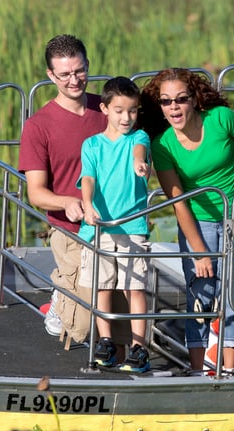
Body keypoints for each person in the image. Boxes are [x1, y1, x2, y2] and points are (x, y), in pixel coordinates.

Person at [139, 68, 234, 374]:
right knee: (200, 294)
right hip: (198, 219)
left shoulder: (221, 119)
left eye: (181, 99)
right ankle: (197, 369)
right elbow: (178, 202)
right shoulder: (162, 145)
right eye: (166, 102)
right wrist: (200, 251)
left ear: (194, 99)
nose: (174, 107)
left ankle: (228, 366)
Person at [18, 34, 128, 346]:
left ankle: (118, 361)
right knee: (78, 329)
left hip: (117, 223)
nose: (74, 80)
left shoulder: (107, 109)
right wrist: (67, 201)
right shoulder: (38, 126)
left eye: (79, 71)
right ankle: (61, 299)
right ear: (51, 76)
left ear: (88, 66)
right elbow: (36, 193)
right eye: (64, 74)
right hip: (72, 230)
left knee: (122, 320)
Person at [77, 76, 152, 373]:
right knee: (102, 286)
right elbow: (88, 178)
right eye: (119, 110)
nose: (126, 117)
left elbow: (138, 153)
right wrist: (88, 204)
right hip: (100, 228)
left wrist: (139, 165)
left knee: (135, 288)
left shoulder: (139, 137)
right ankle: (106, 341)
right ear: (105, 108)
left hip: (131, 227)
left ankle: (138, 347)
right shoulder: (92, 145)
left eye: (132, 111)